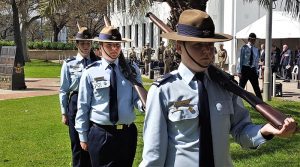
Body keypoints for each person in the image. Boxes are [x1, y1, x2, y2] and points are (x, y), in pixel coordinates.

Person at [139, 9, 296, 167]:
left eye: (210, 44)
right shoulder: (163, 90)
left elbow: (241, 130)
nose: (207, 51)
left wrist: (266, 130)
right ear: (179, 48)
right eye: (198, 45)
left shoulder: (225, 86)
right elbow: (154, 155)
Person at [75, 26, 143, 167]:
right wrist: (82, 135)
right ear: (100, 46)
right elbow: (83, 106)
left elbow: (137, 97)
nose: (114, 49)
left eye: (117, 45)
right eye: (109, 45)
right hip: (101, 133)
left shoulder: (131, 69)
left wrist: (144, 105)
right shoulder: (90, 72)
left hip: (127, 134)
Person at [59, 26, 98, 167]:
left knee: (93, 142)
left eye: (88, 43)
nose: (86, 46)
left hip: (94, 103)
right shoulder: (69, 64)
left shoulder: (98, 62)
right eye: (82, 43)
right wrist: (64, 113)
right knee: (77, 144)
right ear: (77, 44)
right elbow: (63, 90)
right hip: (75, 104)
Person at [237, 33, 262, 99]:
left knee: (256, 87)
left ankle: (261, 103)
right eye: (252, 39)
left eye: (254, 40)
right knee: (241, 87)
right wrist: (239, 71)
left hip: (252, 69)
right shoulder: (244, 47)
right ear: (249, 39)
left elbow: (256, 61)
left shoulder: (256, 49)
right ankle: (236, 101)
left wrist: (256, 71)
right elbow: (240, 59)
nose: (253, 41)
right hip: (245, 69)